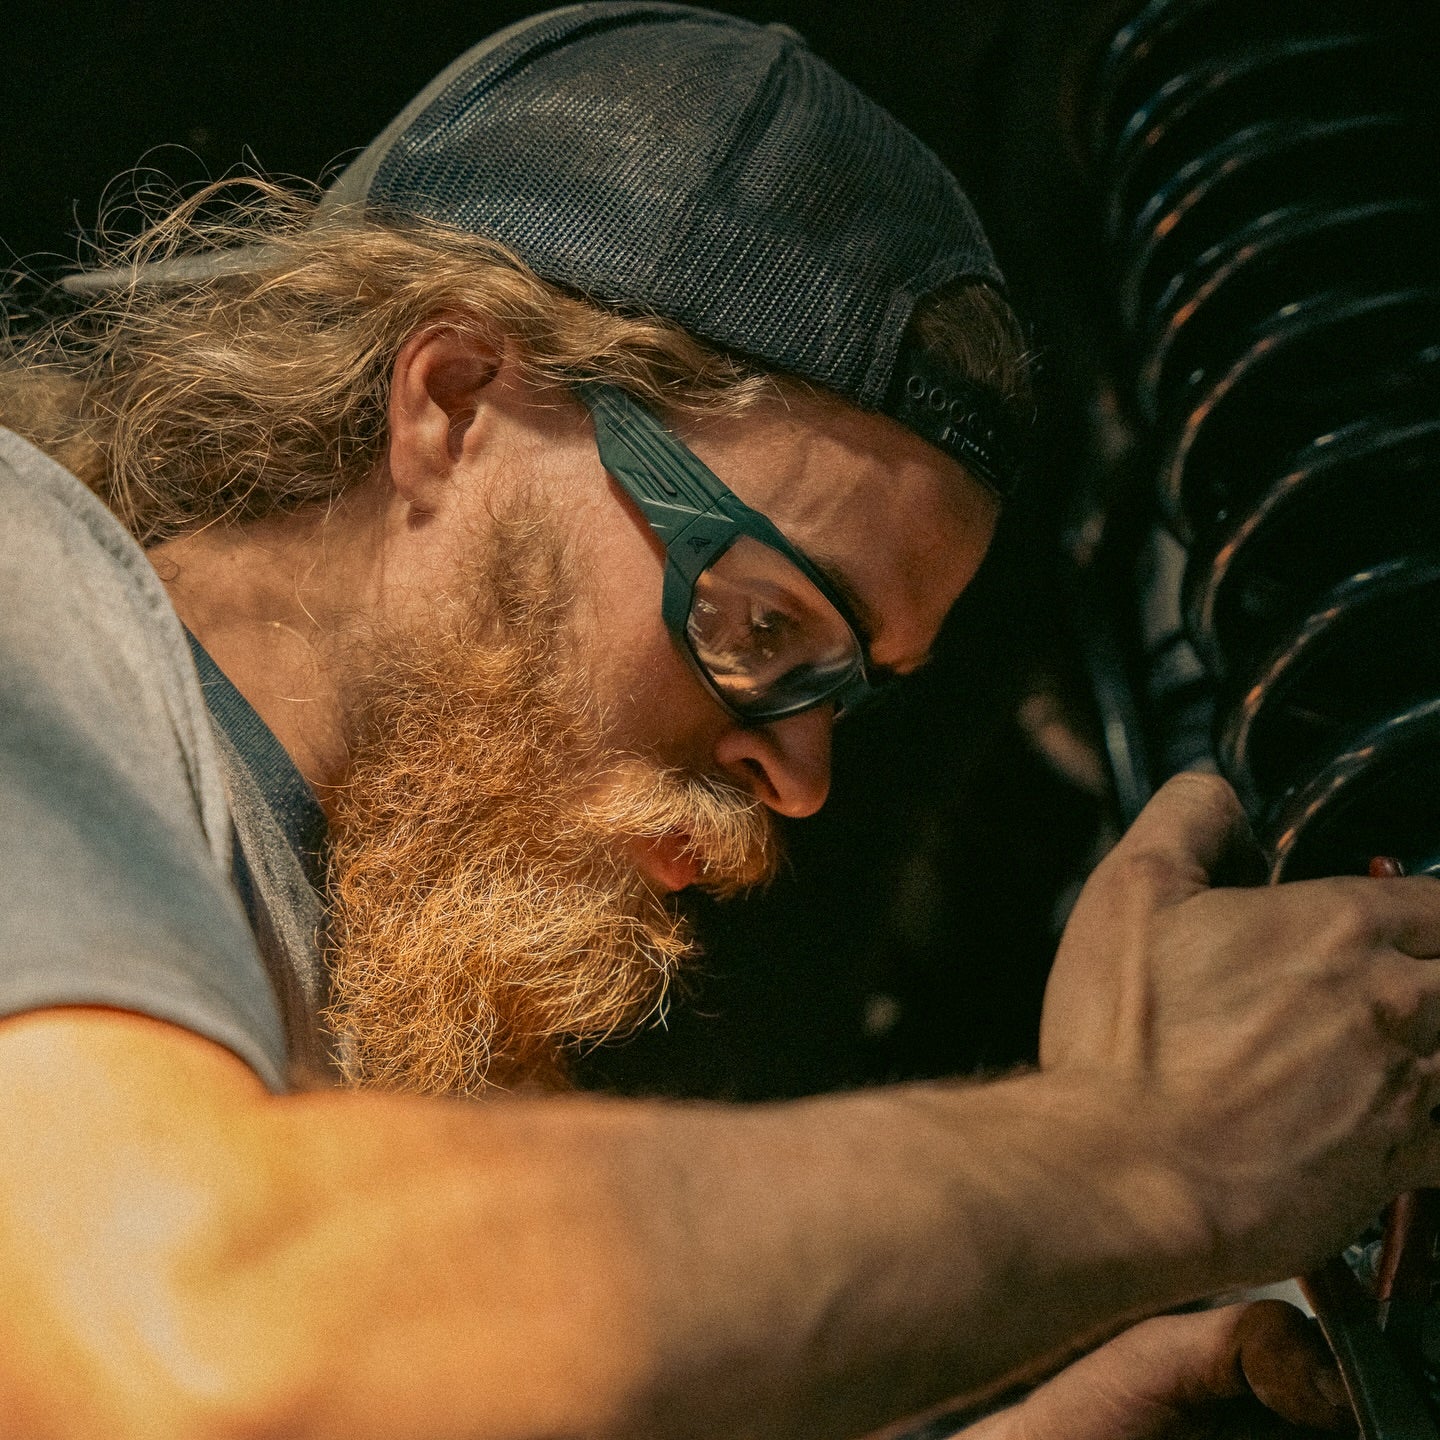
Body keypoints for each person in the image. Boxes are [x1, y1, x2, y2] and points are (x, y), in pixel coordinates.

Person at [1, 5, 1437, 1436]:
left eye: (848, 685)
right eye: (762, 622)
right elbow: (186, 1346)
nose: (799, 777)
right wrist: (1150, 1153)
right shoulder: (27, 593)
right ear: (450, 404)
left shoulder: (340, 1017)